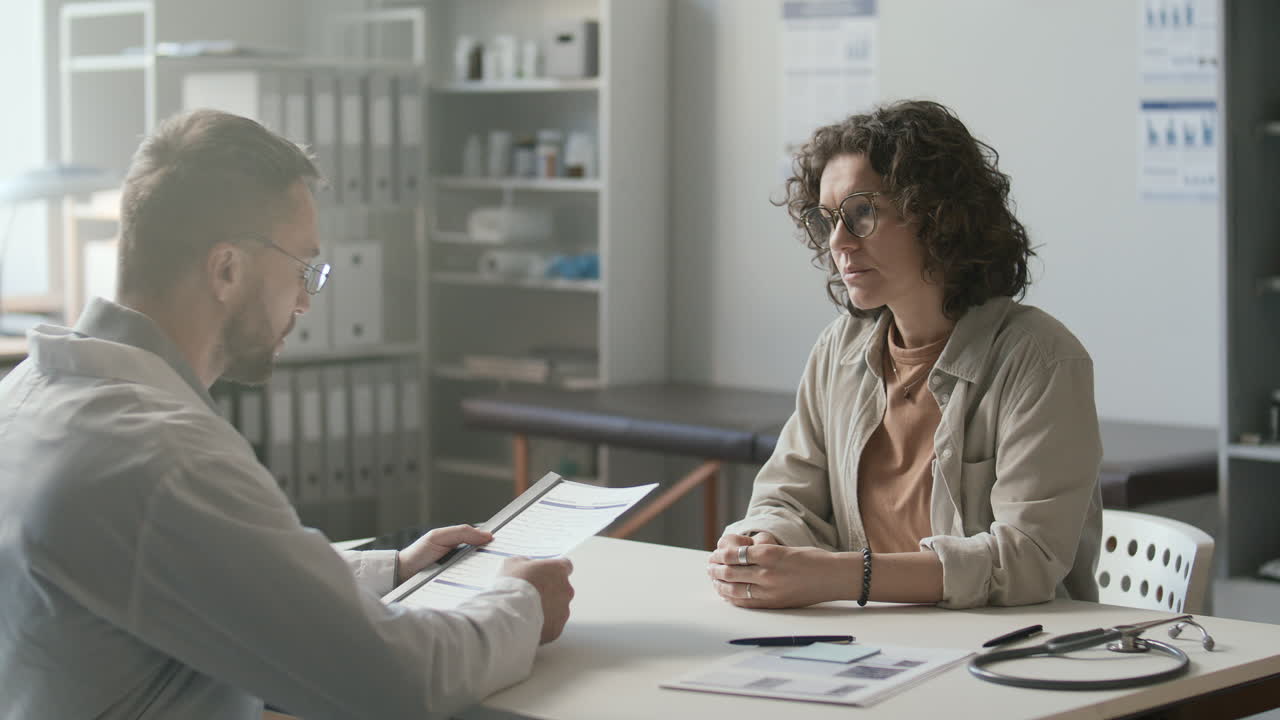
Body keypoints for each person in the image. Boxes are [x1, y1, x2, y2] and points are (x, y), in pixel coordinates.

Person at [0, 109, 574, 719]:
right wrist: (522, 603)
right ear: (227, 269)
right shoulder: (163, 459)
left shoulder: (30, 394)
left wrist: (392, 570)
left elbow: (200, 569)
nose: (305, 300)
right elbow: (401, 681)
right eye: (304, 268)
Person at [708, 100, 1102, 610]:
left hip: (1008, 653)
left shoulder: (1042, 359)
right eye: (827, 220)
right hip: (874, 648)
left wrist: (841, 577)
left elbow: (1025, 560)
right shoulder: (838, 348)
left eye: (862, 213)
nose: (838, 243)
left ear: (938, 216)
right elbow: (787, 497)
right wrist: (760, 544)